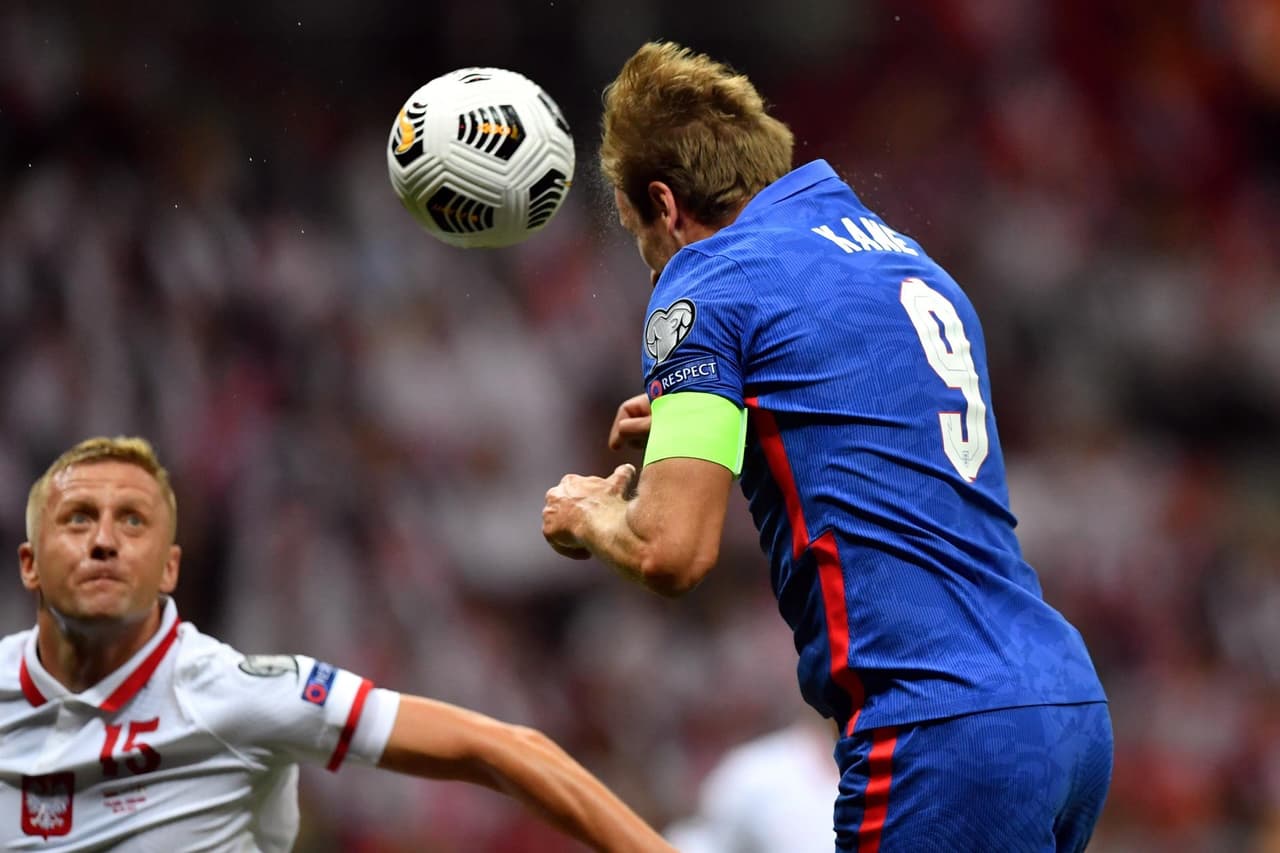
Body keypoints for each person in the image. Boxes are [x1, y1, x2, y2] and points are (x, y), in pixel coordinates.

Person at [542, 41, 1113, 851]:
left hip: (937, 725)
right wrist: (706, 412)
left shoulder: (708, 274)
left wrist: (591, 514)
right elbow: (846, 411)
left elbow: (672, 550)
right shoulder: (902, 258)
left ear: (666, 206)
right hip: (1064, 705)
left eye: (639, 233)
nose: (649, 261)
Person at [3, 435, 675, 852]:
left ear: (171, 567)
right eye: (78, 518)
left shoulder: (237, 693)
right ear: (29, 562)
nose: (103, 540)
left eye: (132, 521)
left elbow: (497, 746)